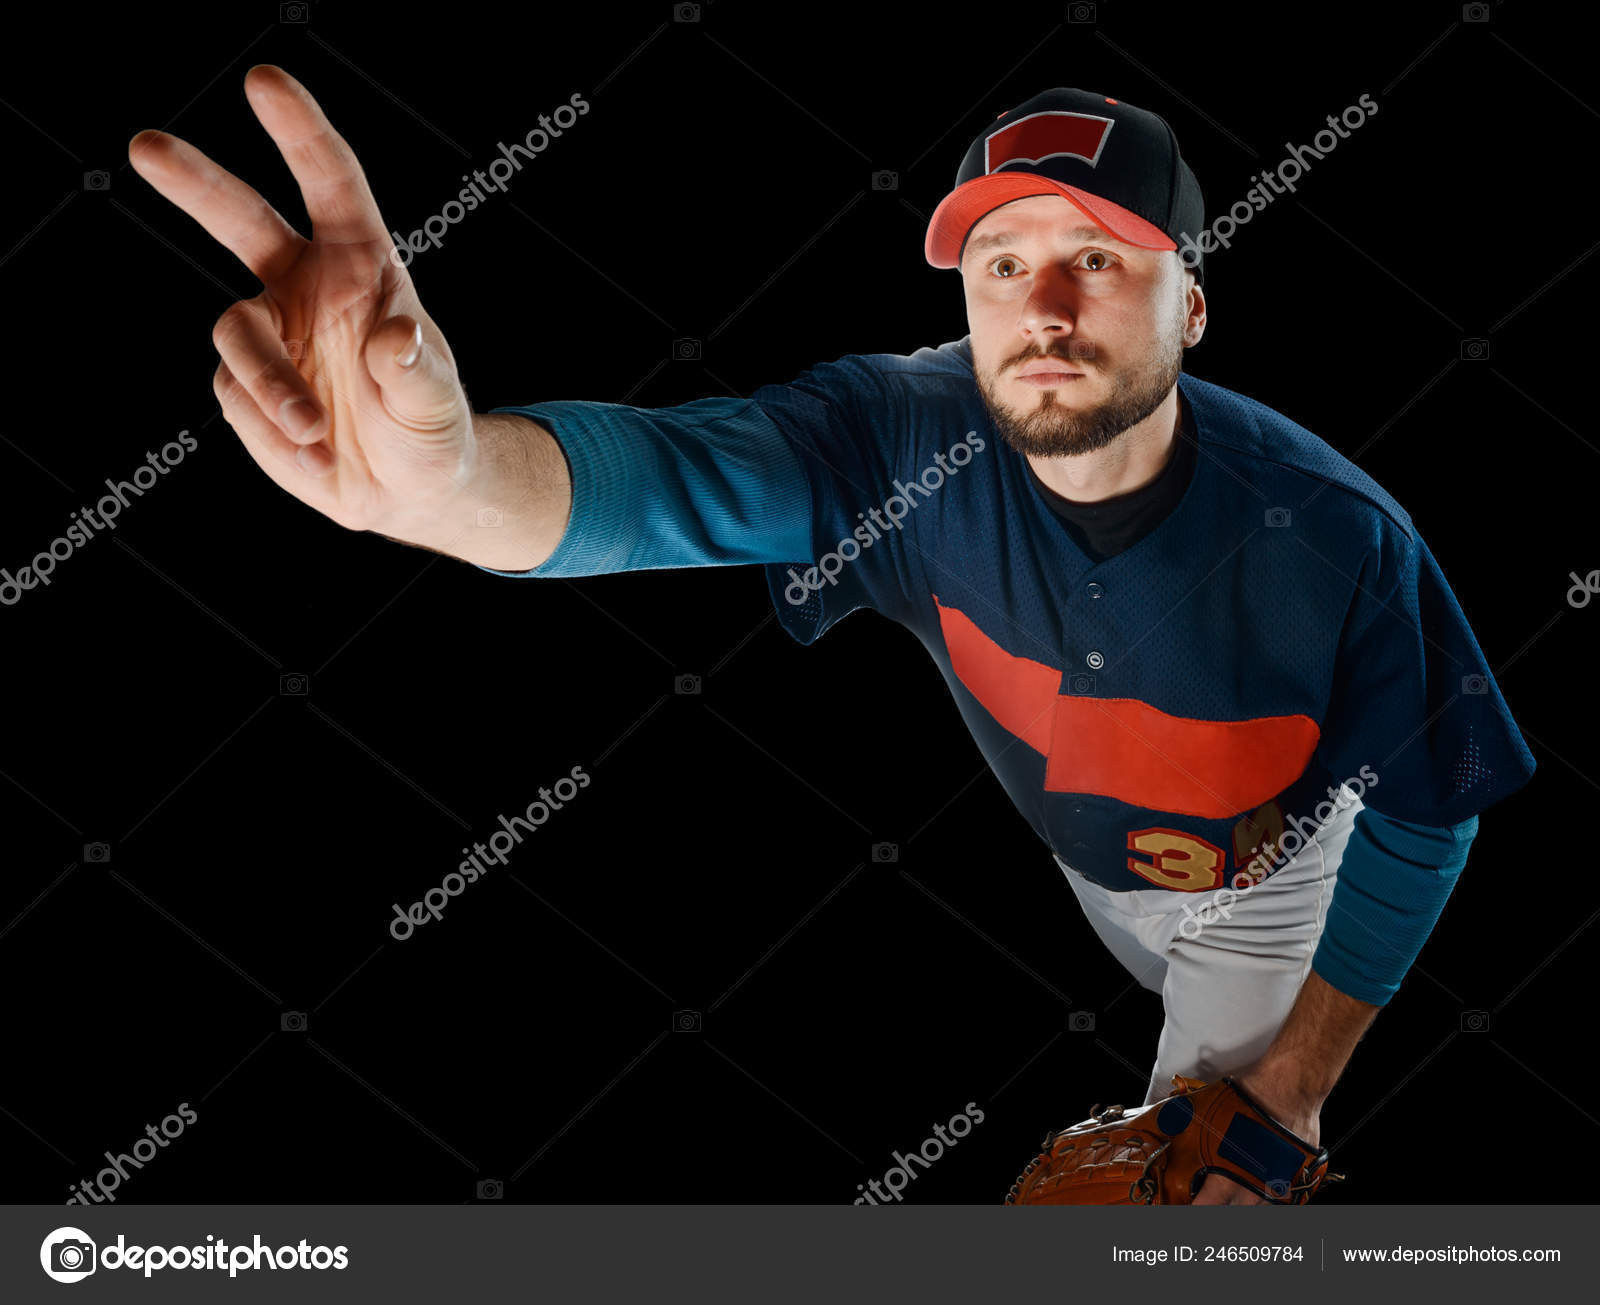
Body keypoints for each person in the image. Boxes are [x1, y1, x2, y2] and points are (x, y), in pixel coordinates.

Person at [130, 69, 1535, 1204]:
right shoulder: (899, 441)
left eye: (1099, 259)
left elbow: (1426, 811)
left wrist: (1286, 1087)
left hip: (1263, 887)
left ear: (1196, 305)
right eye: (1001, 262)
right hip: (1093, 870)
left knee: (1197, 1211)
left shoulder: (1332, 536)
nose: (1041, 308)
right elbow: (666, 484)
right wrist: (454, 487)